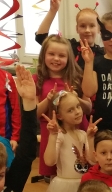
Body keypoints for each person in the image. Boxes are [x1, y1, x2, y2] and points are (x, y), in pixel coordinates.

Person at [38, 91, 100, 192]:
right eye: (70, 110)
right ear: (60, 116)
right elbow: (49, 161)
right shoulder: (60, 136)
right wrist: (53, 136)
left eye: (78, 107)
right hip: (64, 189)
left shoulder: (83, 134)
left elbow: (92, 160)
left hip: (83, 187)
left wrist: (90, 138)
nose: (77, 112)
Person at [35, 35, 91, 179]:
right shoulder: (37, 80)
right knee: (56, 173)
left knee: (81, 171)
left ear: (69, 58)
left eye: (61, 55)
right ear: (43, 55)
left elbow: (88, 108)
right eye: (51, 54)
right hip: (52, 133)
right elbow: (34, 114)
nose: (56, 59)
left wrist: (76, 98)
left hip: (78, 131)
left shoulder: (77, 78)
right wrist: (48, 100)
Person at [35, 0, 103, 69]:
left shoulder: (103, 54)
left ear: (99, 29)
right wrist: (53, 11)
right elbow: (40, 38)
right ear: (77, 29)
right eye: (83, 26)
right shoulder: (69, 47)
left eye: (92, 26)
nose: (87, 30)